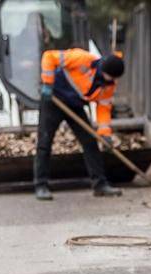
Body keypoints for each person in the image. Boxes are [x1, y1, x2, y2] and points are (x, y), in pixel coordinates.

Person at [35, 48, 124, 200]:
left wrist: (105, 135)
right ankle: (41, 185)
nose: (112, 80)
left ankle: (100, 185)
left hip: (75, 105)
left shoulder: (109, 84)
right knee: (44, 142)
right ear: (103, 69)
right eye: (111, 76)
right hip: (53, 99)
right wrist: (48, 84)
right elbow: (49, 56)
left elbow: (103, 109)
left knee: (90, 141)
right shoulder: (81, 59)